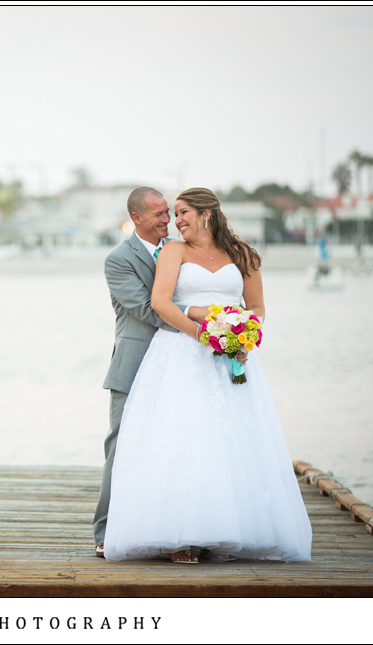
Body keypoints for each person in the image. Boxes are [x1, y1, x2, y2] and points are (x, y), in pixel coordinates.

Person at [103, 187, 312, 563]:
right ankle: (179, 536)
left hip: (232, 357)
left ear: (207, 214)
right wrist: (203, 331)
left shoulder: (243, 254)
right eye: (169, 214)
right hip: (184, 356)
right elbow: (159, 302)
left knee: (229, 441)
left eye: (181, 213)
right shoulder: (173, 251)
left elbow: (257, 306)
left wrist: (246, 337)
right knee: (183, 437)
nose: (174, 221)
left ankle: (225, 530)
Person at [93, 187, 208, 558]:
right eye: (159, 214)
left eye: (169, 212)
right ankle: (107, 530)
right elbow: (146, 308)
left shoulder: (179, 251)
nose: (168, 220)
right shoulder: (118, 260)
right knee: (121, 446)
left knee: (173, 447)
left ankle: (174, 528)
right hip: (134, 364)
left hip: (179, 366)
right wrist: (201, 322)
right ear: (137, 219)